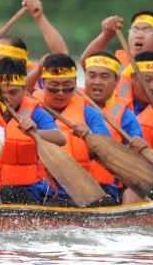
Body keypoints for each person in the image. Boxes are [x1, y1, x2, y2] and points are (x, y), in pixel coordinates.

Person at [33, 53, 116, 205]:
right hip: (40, 186)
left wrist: (89, 136)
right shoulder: (31, 108)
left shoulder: (88, 113)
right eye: (53, 87)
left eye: (67, 87)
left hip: (80, 186)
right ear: (43, 83)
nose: (60, 93)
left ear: (76, 84)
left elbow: (109, 150)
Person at [0, 57, 65, 204]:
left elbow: (60, 138)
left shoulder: (35, 113)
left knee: (5, 193)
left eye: (13, 92)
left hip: (28, 189)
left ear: (24, 91)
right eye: (1, 93)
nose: (6, 99)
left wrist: (36, 132)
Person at [81, 51, 147, 204]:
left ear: (117, 80)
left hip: (107, 189)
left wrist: (138, 145)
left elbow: (137, 153)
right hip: (69, 185)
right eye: (92, 76)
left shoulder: (126, 115)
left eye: (104, 77)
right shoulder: (68, 101)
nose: (97, 82)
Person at [81, 11, 153, 102]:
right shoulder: (119, 63)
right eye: (135, 30)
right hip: (118, 119)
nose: (138, 35)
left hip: (149, 123)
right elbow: (87, 64)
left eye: (146, 31)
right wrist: (106, 35)